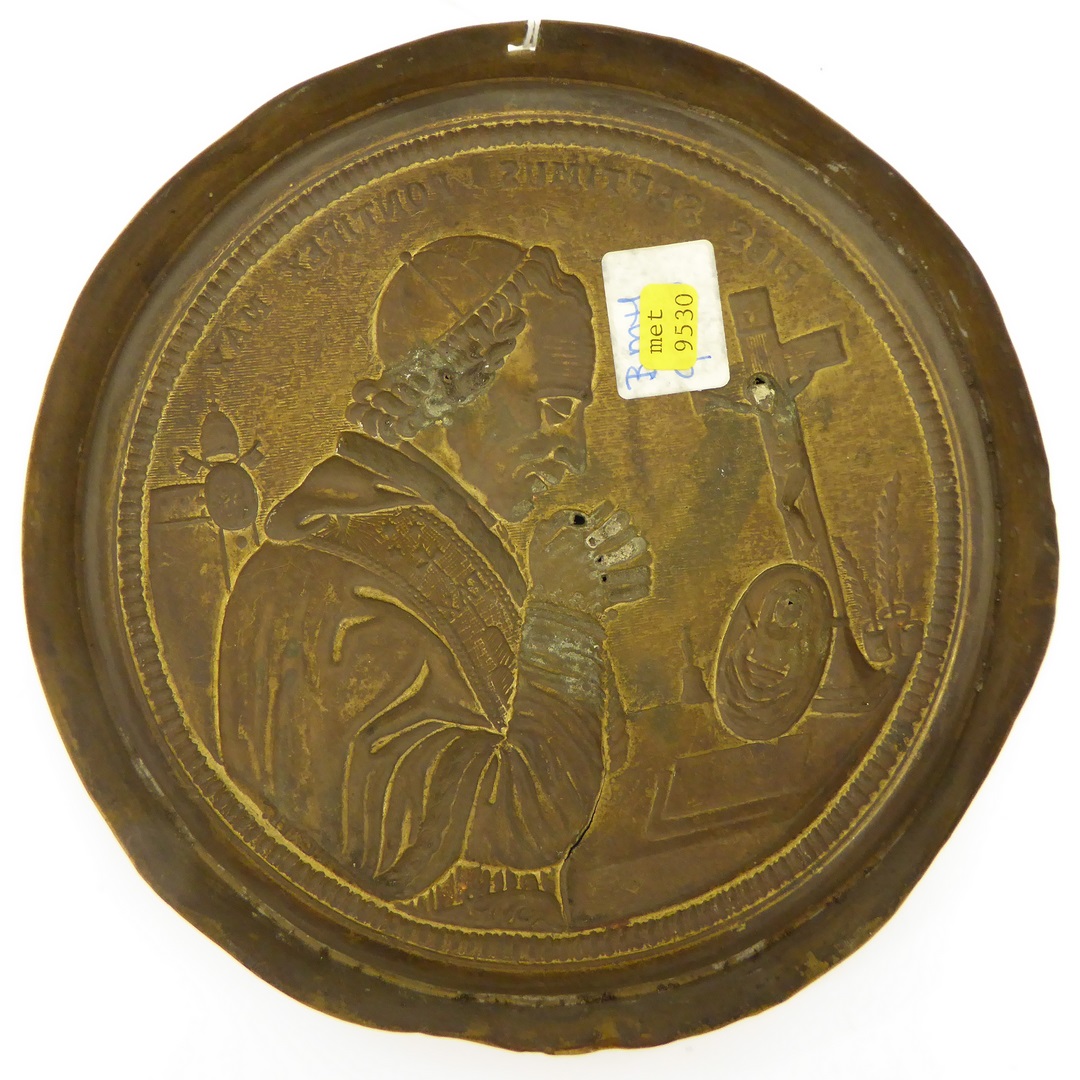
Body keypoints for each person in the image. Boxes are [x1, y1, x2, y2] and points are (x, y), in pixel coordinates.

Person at [215, 236, 651, 927]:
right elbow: (528, 820)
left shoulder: (438, 552)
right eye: (556, 407)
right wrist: (564, 621)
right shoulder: (328, 588)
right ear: (450, 389)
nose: (577, 451)